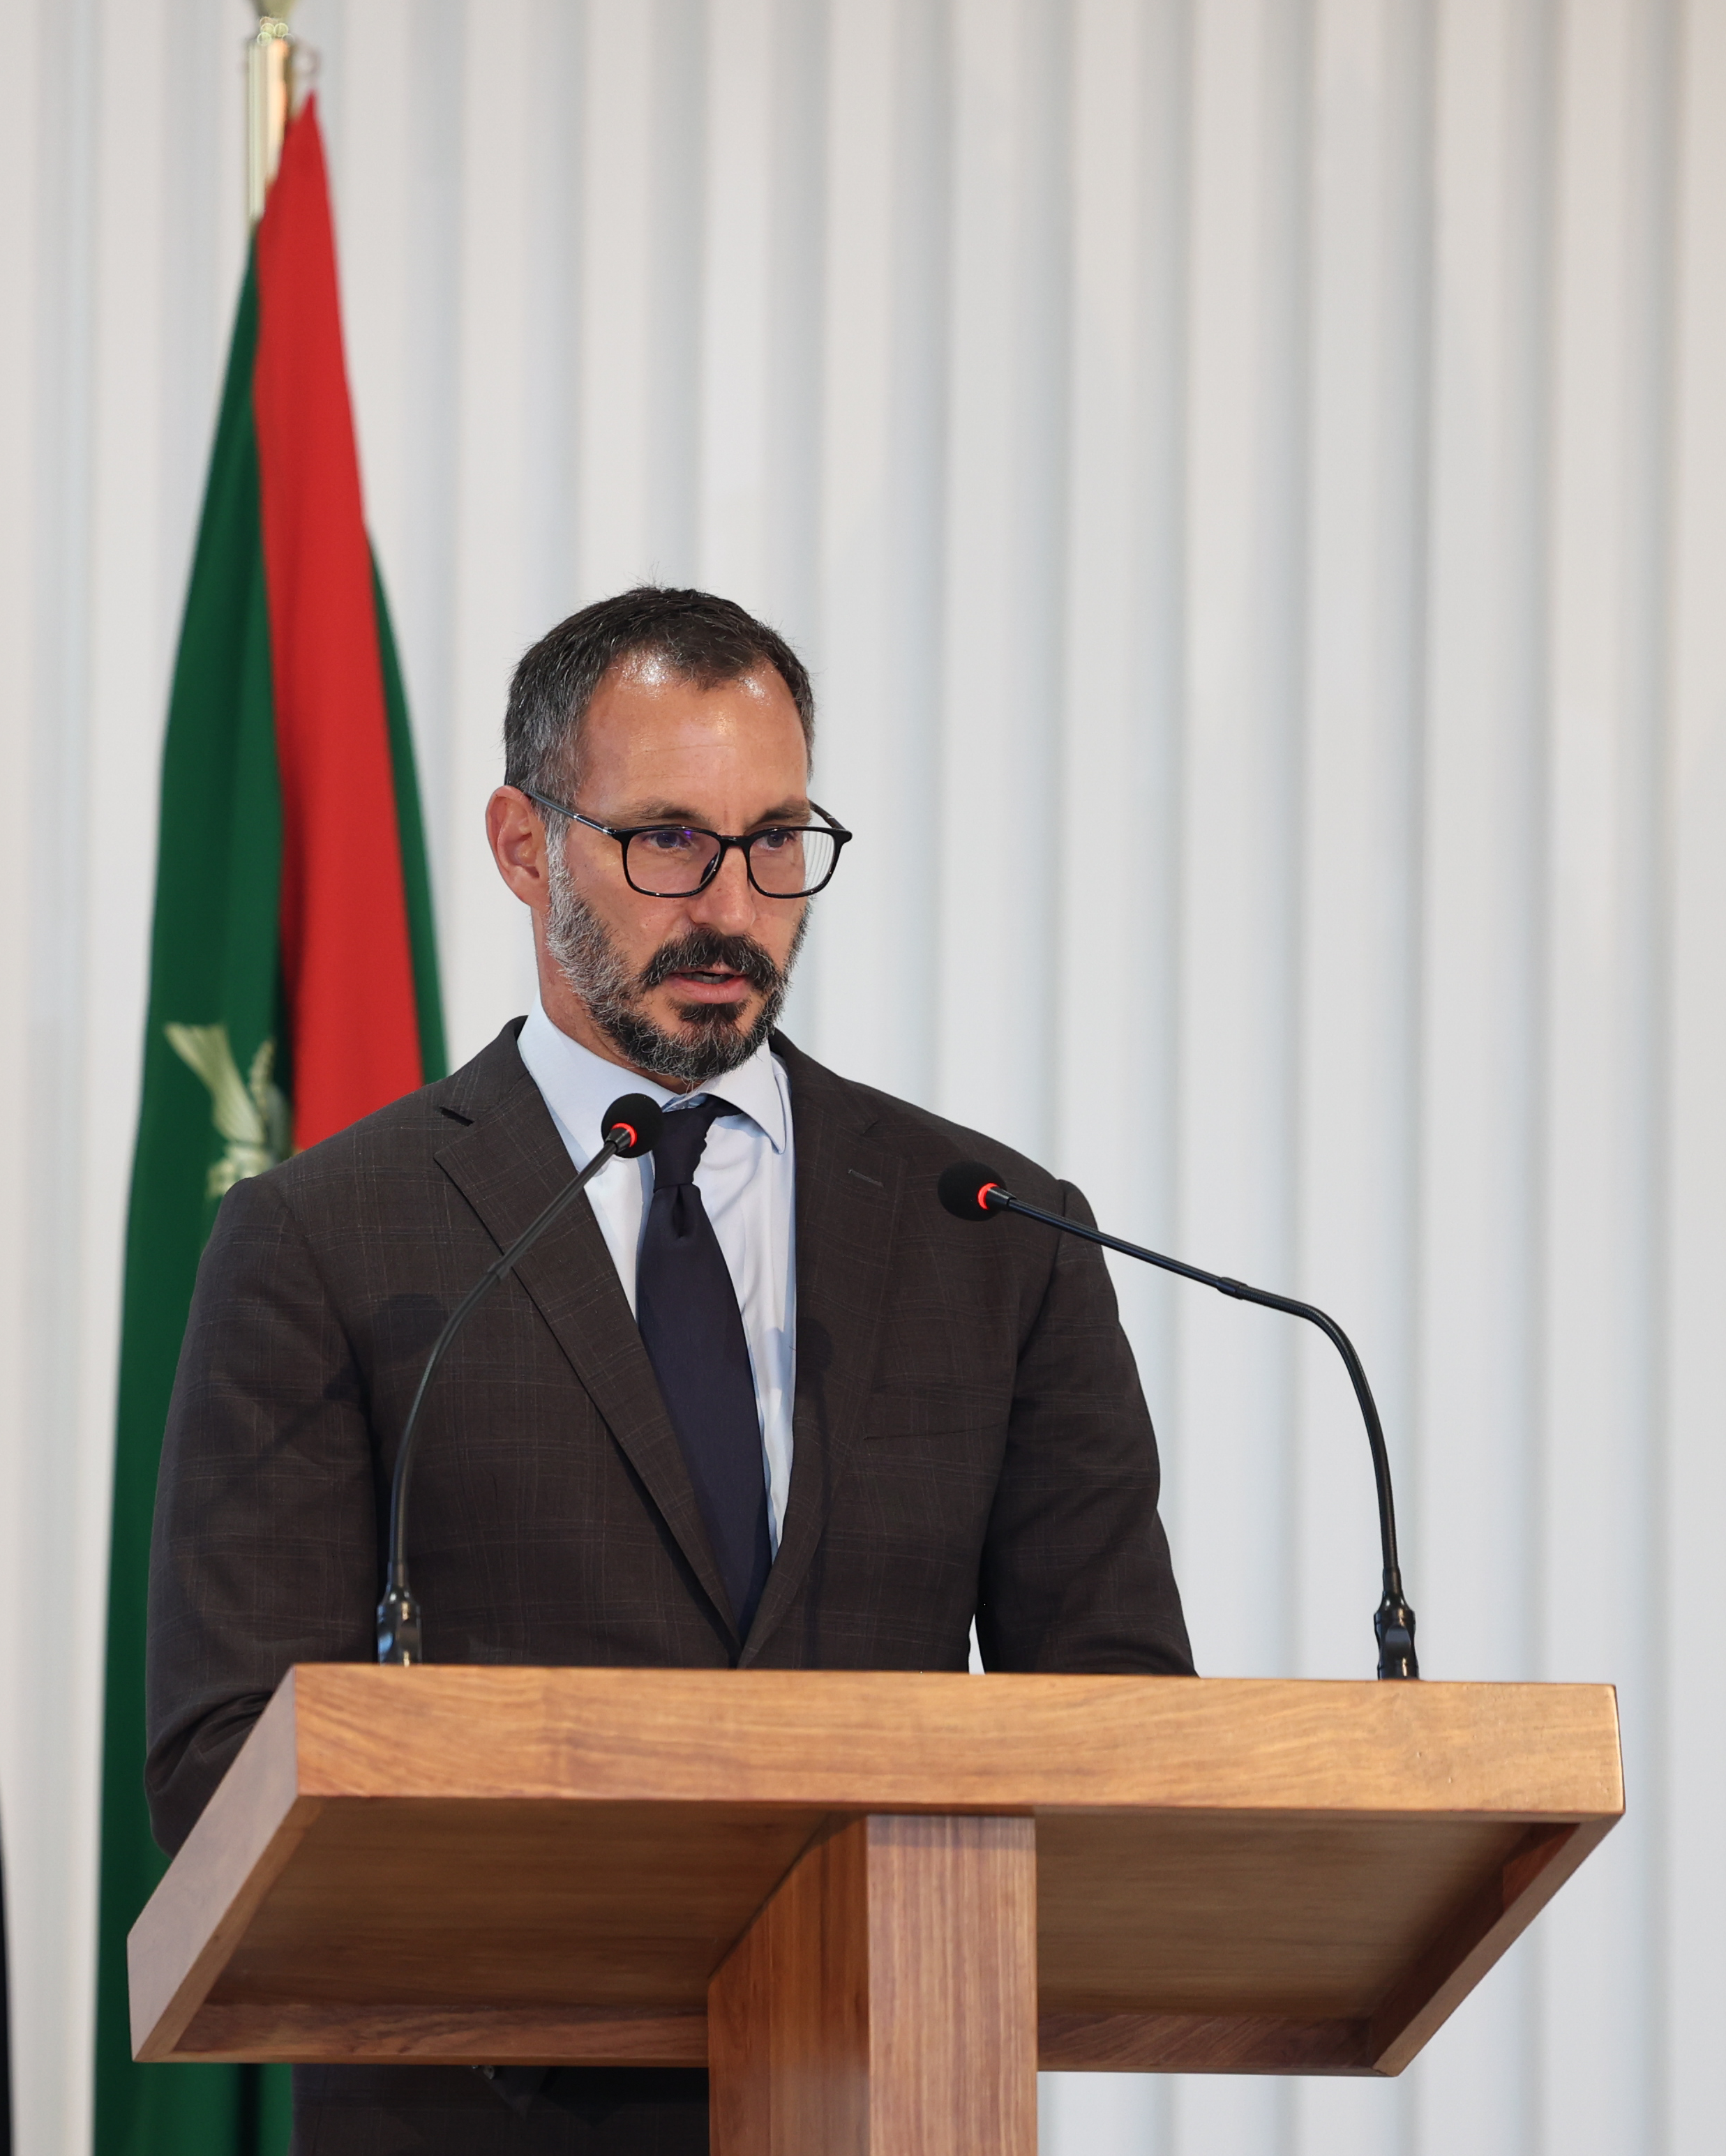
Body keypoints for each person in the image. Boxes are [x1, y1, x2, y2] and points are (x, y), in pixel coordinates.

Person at [142, 586, 1194, 2154]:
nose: (734, 905)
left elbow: (1119, 1723)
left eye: (778, 841)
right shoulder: (326, 1239)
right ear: (524, 845)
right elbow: (225, 1760)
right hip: (483, 2118)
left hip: (894, 2093)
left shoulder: (993, 1230)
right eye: (668, 842)